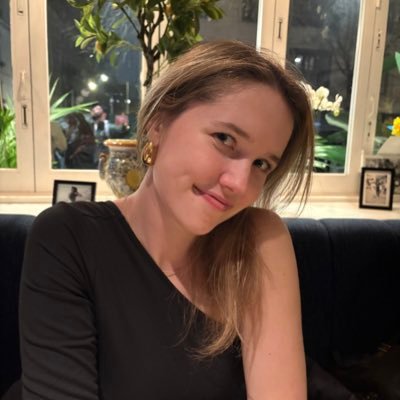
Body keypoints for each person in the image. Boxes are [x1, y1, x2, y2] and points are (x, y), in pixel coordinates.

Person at [18, 40, 314, 399]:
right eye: (224, 139)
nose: (239, 184)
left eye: (261, 164)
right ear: (159, 122)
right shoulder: (70, 238)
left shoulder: (258, 241)